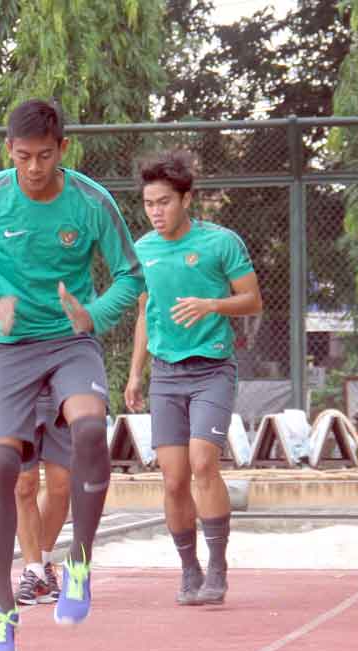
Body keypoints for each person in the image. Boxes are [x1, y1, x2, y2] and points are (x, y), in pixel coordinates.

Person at [0, 99, 144, 651]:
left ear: (63, 149)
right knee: (1, 466)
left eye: (43, 156)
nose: (33, 168)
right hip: (10, 348)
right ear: (6, 152)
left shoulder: (91, 202)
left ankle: (79, 562)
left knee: (89, 430)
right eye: (22, 156)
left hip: (70, 341)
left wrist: (94, 315)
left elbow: (132, 275)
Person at [123, 150, 261, 607]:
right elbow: (145, 312)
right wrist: (135, 373)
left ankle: (218, 567)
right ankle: (189, 569)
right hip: (165, 375)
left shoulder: (221, 243)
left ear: (186, 199)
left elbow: (252, 301)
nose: (156, 212)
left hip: (212, 369)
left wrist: (211, 305)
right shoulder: (142, 251)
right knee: (174, 479)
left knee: (205, 463)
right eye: (149, 204)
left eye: (164, 201)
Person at [0, 320, 71, 606]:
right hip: (16, 384)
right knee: (24, 484)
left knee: (61, 485)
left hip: (59, 383)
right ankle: (34, 569)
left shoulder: (62, 276)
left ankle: (45, 558)